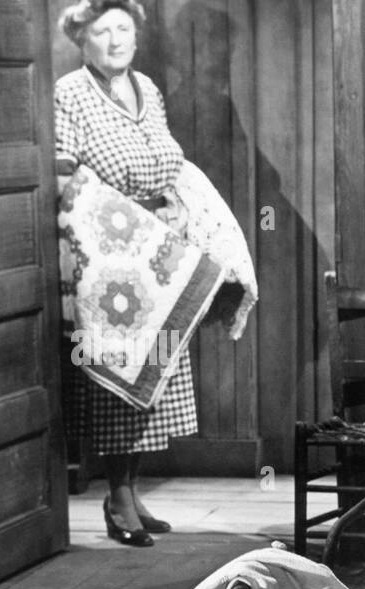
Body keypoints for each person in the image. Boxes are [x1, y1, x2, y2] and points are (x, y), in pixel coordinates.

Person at [54, 1, 253, 545]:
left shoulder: (147, 87)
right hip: (108, 257)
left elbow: (168, 161)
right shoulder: (70, 93)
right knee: (121, 379)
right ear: (81, 38)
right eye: (102, 31)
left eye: (123, 28)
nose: (115, 40)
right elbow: (64, 172)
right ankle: (117, 502)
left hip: (155, 257)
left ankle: (132, 490)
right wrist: (116, 214)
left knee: (155, 375)